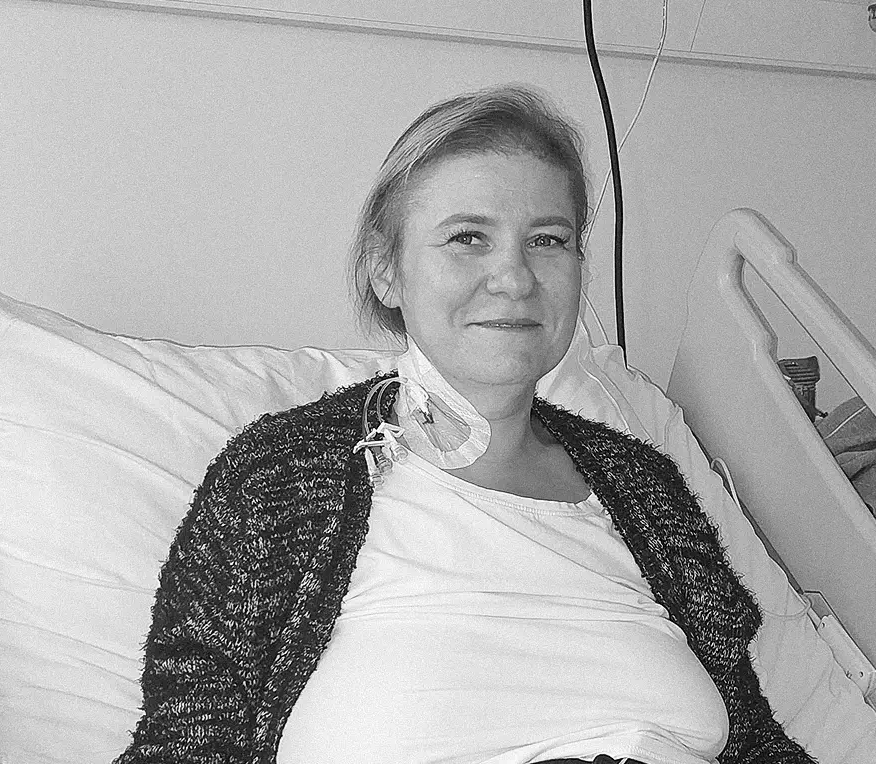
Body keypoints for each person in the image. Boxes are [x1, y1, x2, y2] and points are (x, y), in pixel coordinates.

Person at [116, 85, 814, 764]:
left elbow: (753, 737)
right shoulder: (283, 477)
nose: (515, 277)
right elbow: (188, 741)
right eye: (468, 238)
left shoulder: (644, 489)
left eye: (547, 239)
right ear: (386, 272)